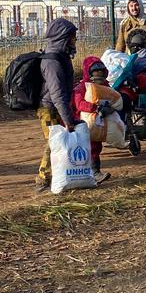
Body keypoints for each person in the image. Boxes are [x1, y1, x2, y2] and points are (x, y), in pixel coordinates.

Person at [35, 18, 79, 194]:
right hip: (49, 108)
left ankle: (59, 175)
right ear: (63, 37)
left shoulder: (61, 56)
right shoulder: (52, 61)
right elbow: (57, 94)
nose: (74, 40)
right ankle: (43, 179)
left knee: (57, 142)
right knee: (54, 143)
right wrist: (68, 120)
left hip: (55, 106)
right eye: (72, 37)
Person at [72, 56, 114, 183]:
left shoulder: (105, 86)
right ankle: (93, 173)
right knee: (91, 146)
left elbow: (113, 98)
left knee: (96, 145)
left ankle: (94, 172)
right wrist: (95, 107)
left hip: (95, 121)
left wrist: (110, 107)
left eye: (101, 72)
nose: (99, 75)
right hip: (79, 121)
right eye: (96, 72)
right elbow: (79, 104)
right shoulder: (81, 88)